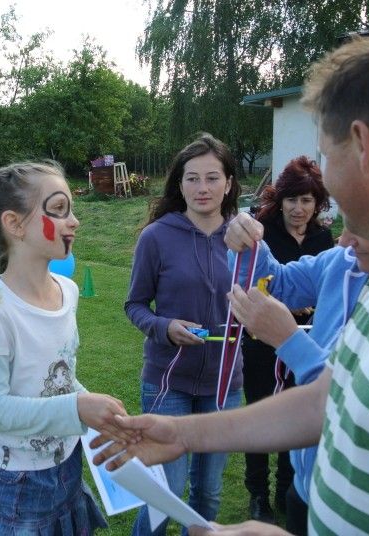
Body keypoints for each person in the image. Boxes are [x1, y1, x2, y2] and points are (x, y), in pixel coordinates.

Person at [91, 28, 369, 535]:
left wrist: (288, 339)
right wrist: (181, 433)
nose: (321, 181)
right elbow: (328, 400)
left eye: (326, 153)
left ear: (363, 145)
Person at [0, 161, 130, 535]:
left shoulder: (68, 291)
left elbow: (59, 373)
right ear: (15, 224)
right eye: (59, 209)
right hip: (13, 486)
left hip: (66, 466)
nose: (74, 221)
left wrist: (93, 405)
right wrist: (78, 407)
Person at [225, 212, 369, 535]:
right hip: (307, 483)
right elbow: (278, 282)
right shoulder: (342, 261)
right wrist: (248, 243)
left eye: (360, 223)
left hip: (358, 502)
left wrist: (290, 341)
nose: (343, 239)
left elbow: (355, 403)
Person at [124, 133, 242, 535]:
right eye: (192, 178)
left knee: (208, 494)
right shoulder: (156, 237)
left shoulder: (243, 239)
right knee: (165, 494)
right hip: (168, 382)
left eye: (212, 178)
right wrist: (165, 327)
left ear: (228, 183)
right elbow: (135, 305)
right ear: (180, 184)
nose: (202, 188)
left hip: (224, 384)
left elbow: (266, 290)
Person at [240, 156, 334, 523]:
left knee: (296, 416)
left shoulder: (323, 238)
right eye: (292, 199)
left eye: (306, 200)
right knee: (259, 415)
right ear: (280, 201)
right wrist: (283, 304)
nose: (298, 208)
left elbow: (325, 288)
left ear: (318, 203)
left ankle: (286, 487)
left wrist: (310, 306)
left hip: (305, 343)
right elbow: (254, 280)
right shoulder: (263, 232)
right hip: (263, 342)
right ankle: (258, 494)